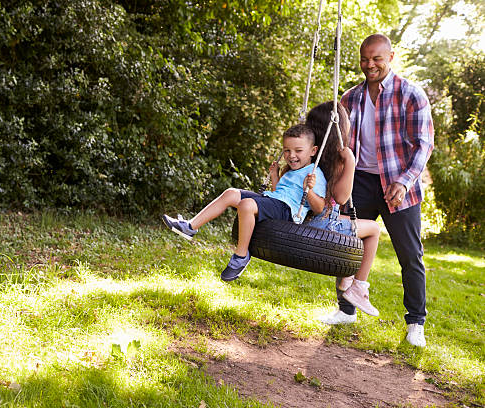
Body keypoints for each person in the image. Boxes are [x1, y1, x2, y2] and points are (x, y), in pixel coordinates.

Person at [319, 34, 434, 348]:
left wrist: (404, 181)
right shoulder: (350, 97)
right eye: (365, 59)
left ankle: (415, 324)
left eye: (377, 59)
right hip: (360, 182)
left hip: (399, 185)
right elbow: (339, 143)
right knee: (345, 246)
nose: (370, 65)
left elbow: (424, 145)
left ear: (391, 57)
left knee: (410, 257)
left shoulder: (411, 94)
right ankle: (346, 309)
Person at [162, 123, 327, 282]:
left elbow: (319, 208)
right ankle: (190, 227)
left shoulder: (314, 174)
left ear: (313, 151)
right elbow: (279, 193)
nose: (291, 155)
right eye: (287, 150)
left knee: (246, 205)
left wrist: (310, 190)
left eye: (298, 150)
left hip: (288, 211)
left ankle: (241, 256)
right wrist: (275, 176)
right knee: (231, 193)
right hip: (274, 201)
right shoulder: (292, 171)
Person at [303, 102, 381, 317]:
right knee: (373, 229)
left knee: (351, 223)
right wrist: (351, 163)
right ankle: (359, 287)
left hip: (302, 220)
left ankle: (347, 276)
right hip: (322, 224)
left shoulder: (305, 153)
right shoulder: (338, 158)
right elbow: (341, 197)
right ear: (338, 128)